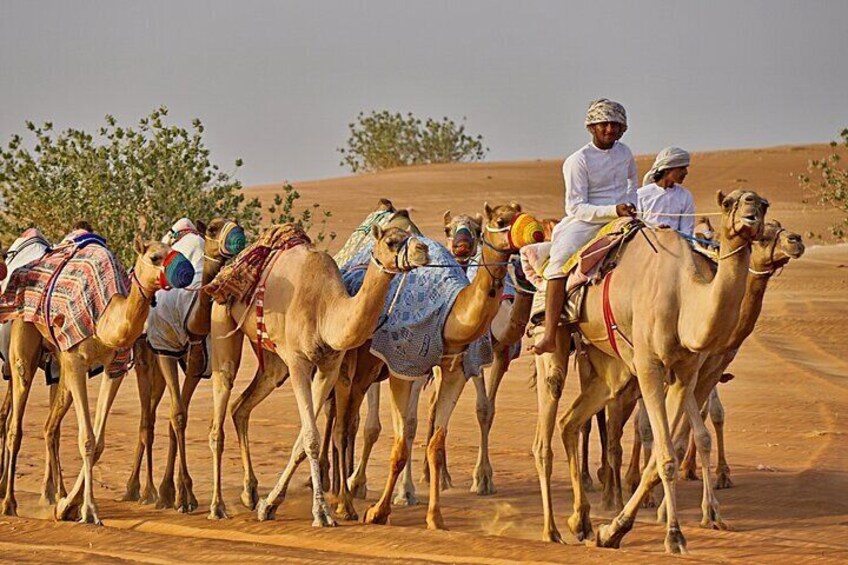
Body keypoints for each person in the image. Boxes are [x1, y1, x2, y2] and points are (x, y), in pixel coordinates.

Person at [530, 99, 637, 355]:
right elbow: (575, 207)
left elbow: (632, 185)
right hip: (586, 221)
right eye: (604, 124)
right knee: (558, 263)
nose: (610, 129)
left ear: (623, 129)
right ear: (592, 127)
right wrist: (613, 211)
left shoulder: (625, 153)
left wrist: (630, 206)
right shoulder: (578, 160)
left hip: (624, 215)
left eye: (616, 125)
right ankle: (550, 333)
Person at [638, 146, 696, 234]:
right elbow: (636, 226)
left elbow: (687, 230)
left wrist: (672, 234)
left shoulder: (685, 196)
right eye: (681, 168)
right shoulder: (641, 194)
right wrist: (655, 230)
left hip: (677, 243)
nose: (686, 172)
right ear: (667, 170)